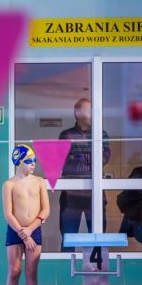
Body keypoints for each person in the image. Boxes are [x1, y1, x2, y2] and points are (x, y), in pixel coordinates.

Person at [58, 98, 111, 252]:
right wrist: (90, 157)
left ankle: (97, 268)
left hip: (94, 194)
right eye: (89, 111)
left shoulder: (101, 134)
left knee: (97, 239)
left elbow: (104, 158)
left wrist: (76, 156)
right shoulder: (66, 135)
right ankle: (65, 268)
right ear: (78, 113)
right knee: (68, 239)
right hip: (71, 196)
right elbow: (62, 160)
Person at [2, 144, 50, 285]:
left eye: (34, 160)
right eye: (29, 161)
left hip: (33, 229)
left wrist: (29, 230)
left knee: (31, 272)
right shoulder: (9, 184)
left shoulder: (39, 182)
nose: (33, 164)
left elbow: (46, 210)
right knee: (14, 271)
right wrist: (24, 234)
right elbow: (8, 214)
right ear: (19, 162)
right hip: (15, 230)